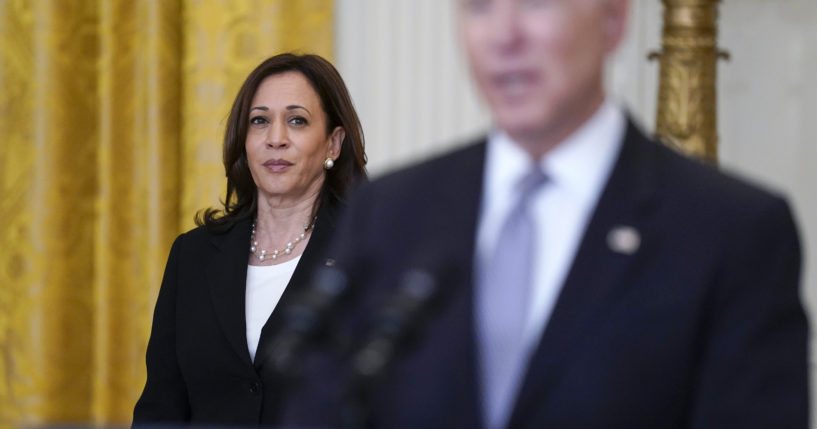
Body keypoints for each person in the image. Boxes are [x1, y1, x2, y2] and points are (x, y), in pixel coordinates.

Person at [293, 1, 809, 428]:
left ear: (613, 21)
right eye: (479, 7)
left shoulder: (732, 230)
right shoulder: (391, 211)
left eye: (537, 2)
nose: (505, 35)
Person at [132, 53, 367, 426]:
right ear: (244, 140)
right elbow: (161, 407)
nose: (276, 139)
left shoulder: (366, 254)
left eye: (297, 121)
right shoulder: (192, 256)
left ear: (333, 144)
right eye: (259, 121)